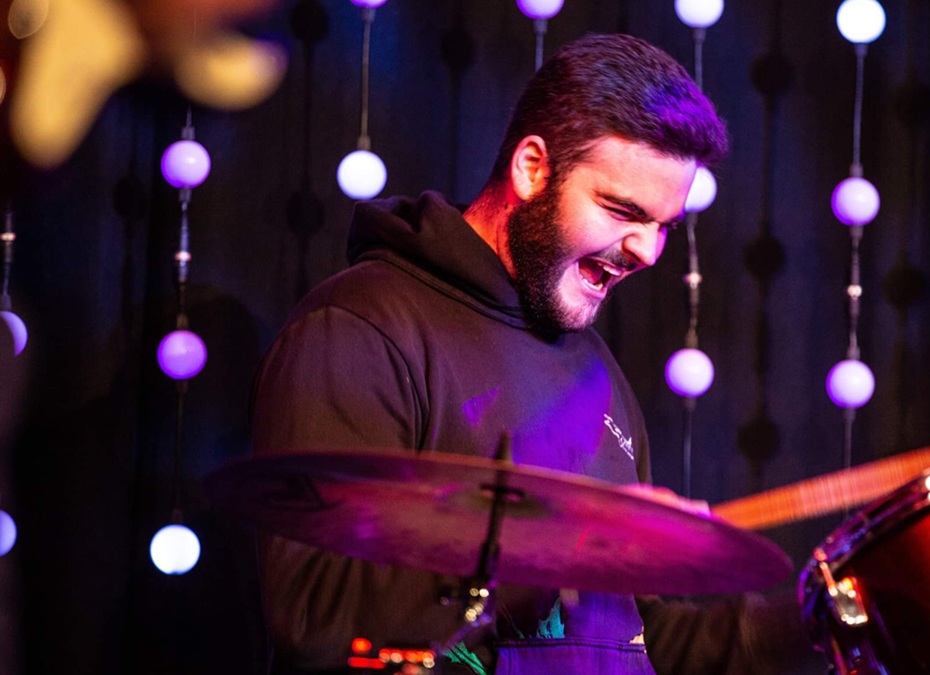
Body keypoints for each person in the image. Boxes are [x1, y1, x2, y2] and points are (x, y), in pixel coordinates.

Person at [250, 33, 806, 675]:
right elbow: (315, 617)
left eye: (663, 226)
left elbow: (628, 642)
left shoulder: (598, 371)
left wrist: (817, 619)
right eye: (622, 210)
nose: (648, 252)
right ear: (532, 168)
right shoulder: (359, 328)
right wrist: (560, 540)